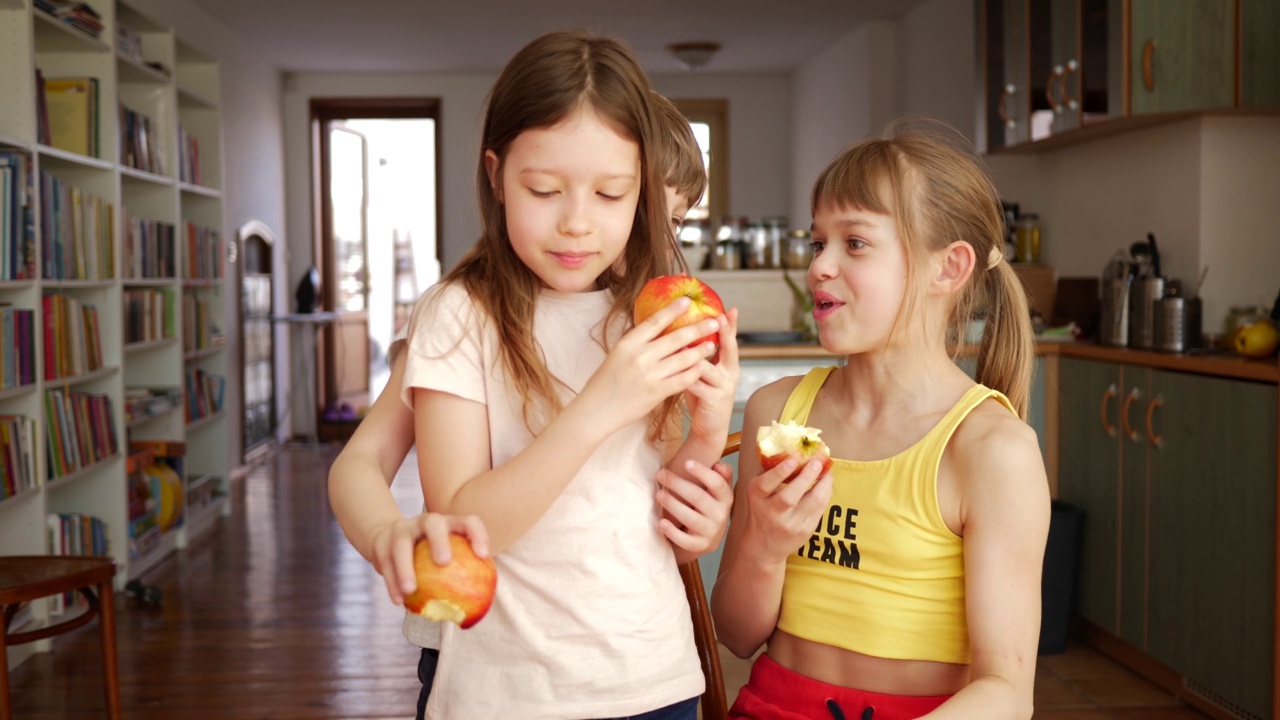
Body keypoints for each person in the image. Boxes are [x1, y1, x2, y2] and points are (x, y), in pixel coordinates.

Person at [335, 29, 738, 720]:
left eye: (612, 195)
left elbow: (654, 504)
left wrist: (706, 439)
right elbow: (457, 516)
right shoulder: (463, 314)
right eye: (544, 189)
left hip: (656, 679)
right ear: (496, 175)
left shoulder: (646, 316)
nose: (578, 224)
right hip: (508, 692)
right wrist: (597, 406)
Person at [711, 123, 1050, 720]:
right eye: (818, 243)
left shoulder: (991, 450)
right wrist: (764, 546)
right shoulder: (776, 413)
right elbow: (736, 634)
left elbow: (1006, 692)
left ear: (948, 269)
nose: (820, 267)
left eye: (855, 243)